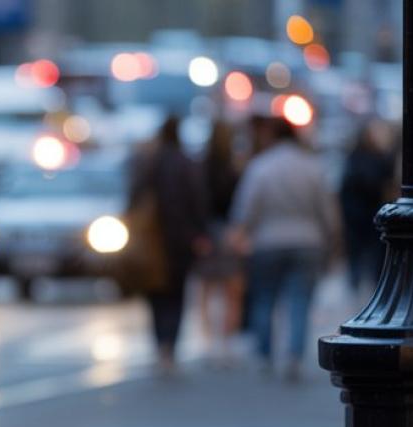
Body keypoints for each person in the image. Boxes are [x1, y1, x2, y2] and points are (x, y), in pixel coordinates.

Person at [229, 117, 341, 382]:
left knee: (265, 298)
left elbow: (246, 209)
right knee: (300, 300)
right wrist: (332, 240)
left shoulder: (260, 167)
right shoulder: (312, 167)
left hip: (267, 241)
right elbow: (328, 212)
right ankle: (294, 356)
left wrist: (241, 233)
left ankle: (264, 355)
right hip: (308, 241)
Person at [129, 115, 208, 374]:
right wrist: (199, 233)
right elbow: (198, 202)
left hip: (152, 240)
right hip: (179, 240)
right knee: (176, 294)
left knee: (155, 294)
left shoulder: (148, 162)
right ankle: (169, 346)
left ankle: (160, 343)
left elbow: (133, 198)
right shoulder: (185, 163)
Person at [196, 120, 246, 365]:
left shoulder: (201, 167)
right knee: (232, 289)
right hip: (228, 231)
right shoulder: (234, 169)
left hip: (207, 231)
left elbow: (197, 204)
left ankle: (208, 341)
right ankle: (226, 341)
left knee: (206, 288)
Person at [339, 120, 397, 292]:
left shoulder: (353, 159)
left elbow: (346, 189)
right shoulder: (378, 159)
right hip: (371, 214)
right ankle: (371, 283)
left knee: (358, 252)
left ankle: (357, 282)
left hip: (357, 216)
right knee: (372, 253)